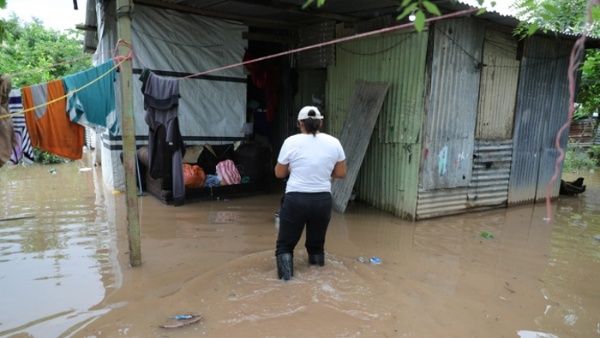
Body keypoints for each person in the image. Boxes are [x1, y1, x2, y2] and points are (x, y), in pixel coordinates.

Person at [274, 106, 346, 281]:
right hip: (322, 201)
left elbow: (279, 173)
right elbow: (341, 173)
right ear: (321, 122)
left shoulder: (291, 142)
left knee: (285, 247)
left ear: (300, 123)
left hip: (296, 200)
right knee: (316, 246)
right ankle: (318, 284)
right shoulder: (334, 142)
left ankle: (285, 284)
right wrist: (322, 172)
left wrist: (294, 168)